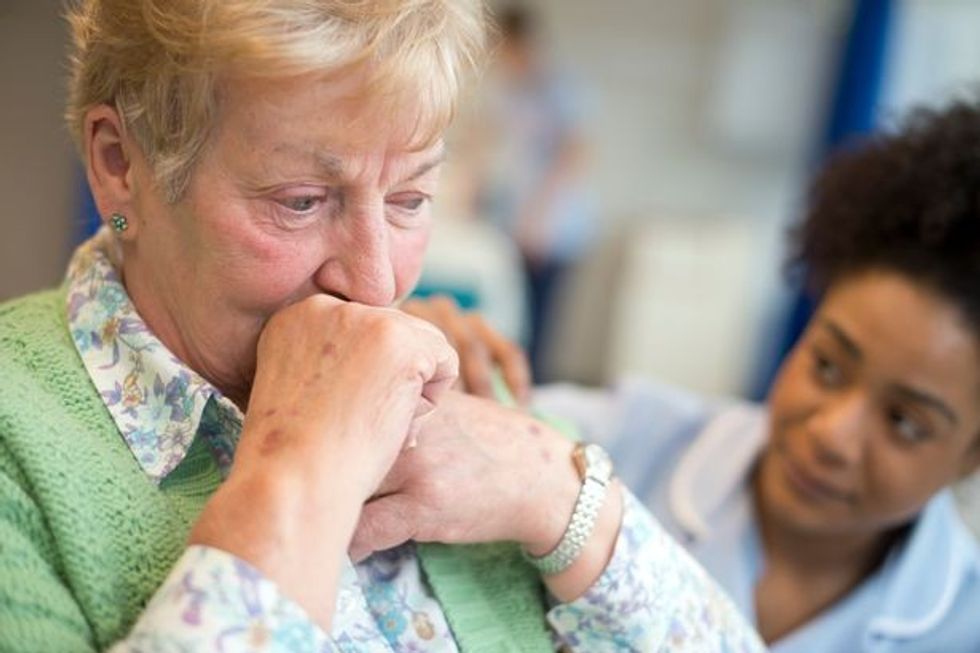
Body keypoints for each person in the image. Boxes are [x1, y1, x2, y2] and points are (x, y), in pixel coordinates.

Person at [0, 1, 764, 651]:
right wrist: (302, 470)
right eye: (299, 200)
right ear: (117, 162)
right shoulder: (18, 442)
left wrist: (557, 493)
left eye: (409, 199)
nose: (377, 283)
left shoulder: (474, 401)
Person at [528, 100, 980, 651]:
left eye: (904, 423)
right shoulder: (622, 441)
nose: (831, 434)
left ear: (971, 454)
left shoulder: (962, 626)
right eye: (828, 365)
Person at [470, 4, 597, 379]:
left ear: (520, 43)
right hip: (517, 218)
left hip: (555, 225)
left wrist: (539, 219)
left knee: (539, 317)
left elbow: (573, 156)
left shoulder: (561, 87)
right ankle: (509, 378)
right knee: (514, 310)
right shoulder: (509, 91)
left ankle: (530, 386)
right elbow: (492, 145)